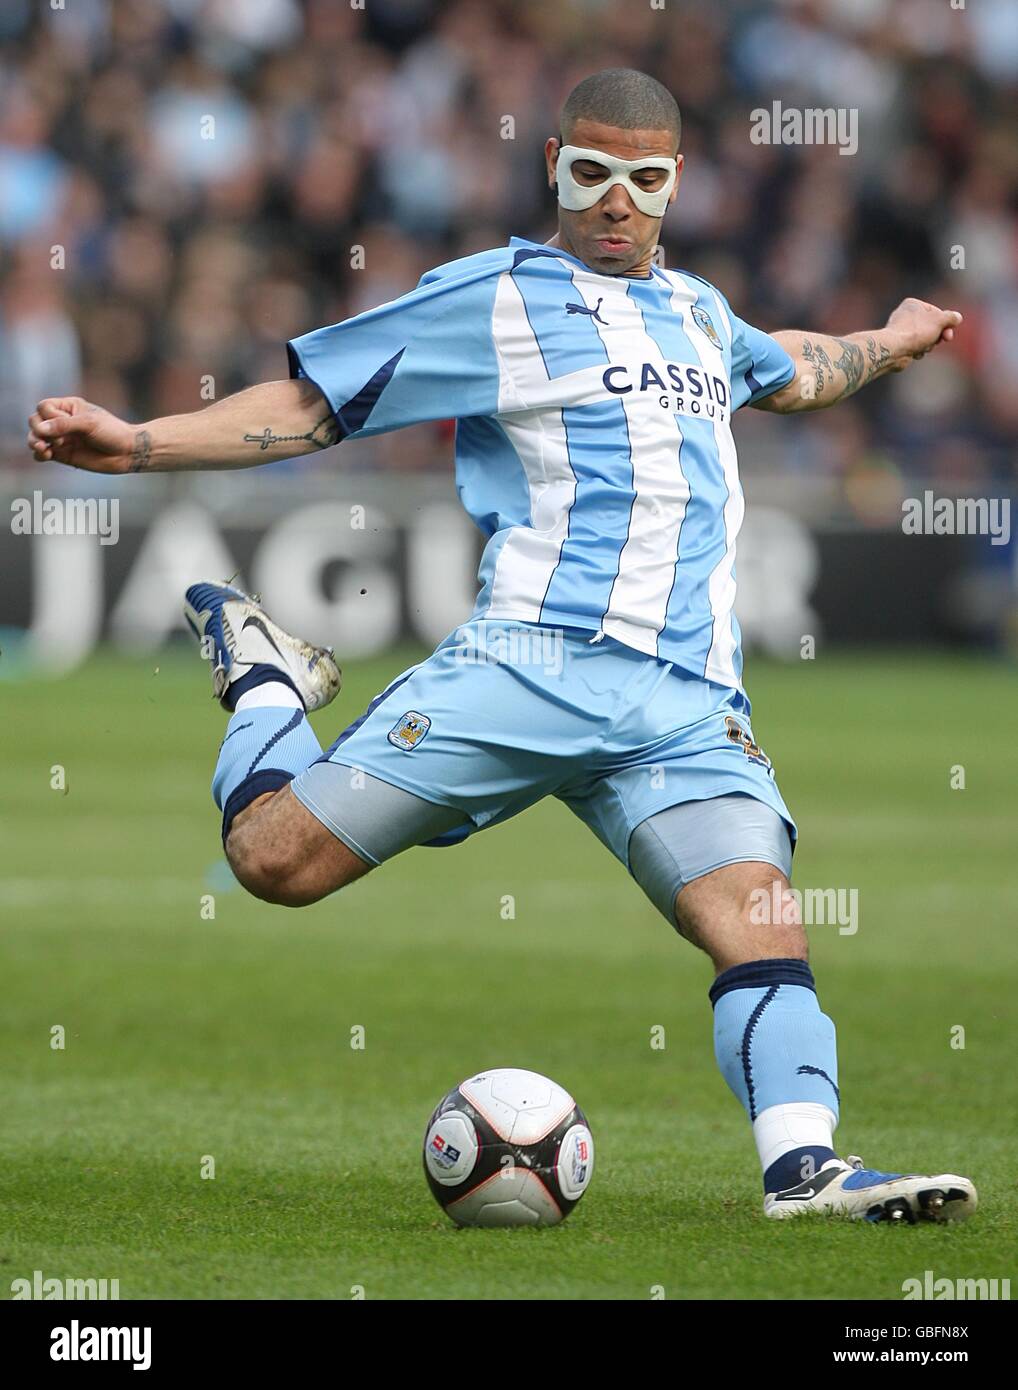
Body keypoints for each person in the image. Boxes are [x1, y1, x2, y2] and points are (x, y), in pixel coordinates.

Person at [28, 69, 975, 1223]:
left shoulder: (701, 316)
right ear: (553, 169)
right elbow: (314, 401)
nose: (615, 201)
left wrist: (887, 338)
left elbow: (796, 365)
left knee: (758, 914)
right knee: (274, 862)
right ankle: (266, 683)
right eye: (591, 173)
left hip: (685, 701)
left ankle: (804, 1167)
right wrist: (137, 443)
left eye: (644, 179)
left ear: (677, 185)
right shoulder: (493, 297)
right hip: (530, 665)